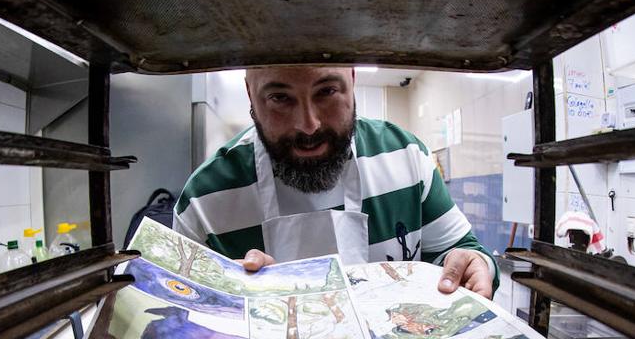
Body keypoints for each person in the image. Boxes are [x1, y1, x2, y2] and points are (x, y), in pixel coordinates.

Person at [172, 66, 498, 298]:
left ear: (352, 81)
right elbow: (178, 321)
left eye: (327, 91)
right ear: (250, 95)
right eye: (280, 98)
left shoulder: (406, 156)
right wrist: (224, 299)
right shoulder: (204, 201)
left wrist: (476, 265)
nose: (309, 124)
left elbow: (461, 252)